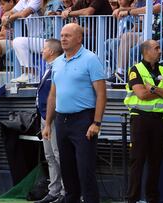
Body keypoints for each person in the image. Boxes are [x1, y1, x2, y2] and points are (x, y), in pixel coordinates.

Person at [42, 23, 107, 203]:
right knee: (68, 171)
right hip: (61, 121)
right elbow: (53, 95)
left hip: (84, 120)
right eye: (62, 35)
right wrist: (48, 123)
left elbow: (101, 93)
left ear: (79, 38)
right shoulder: (57, 63)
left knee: (85, 170)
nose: (63, 38)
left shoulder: (90, 59)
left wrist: (97, 123)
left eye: (68, 35)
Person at [124, 39, 163, 203]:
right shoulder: (135, 70)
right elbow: (141, 95)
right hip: (140, 120)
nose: (160, 51)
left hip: (160, 121)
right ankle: (132, 199)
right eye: (156, 48)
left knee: (155, 162)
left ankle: (152, 199)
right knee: (137, 161)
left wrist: (153, 88)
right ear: (146, 51)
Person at [35, 38, 64, 203]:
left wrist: (49, 118)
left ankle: (67, 192)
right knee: (50, 156)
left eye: (44, 48)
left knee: (59, 155)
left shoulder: (59, 68)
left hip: (54, 118)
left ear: (52, 51)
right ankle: (54, 191)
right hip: (45, 118)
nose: (42, 51)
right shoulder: (48, 69)